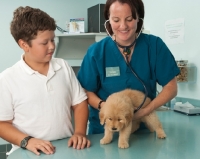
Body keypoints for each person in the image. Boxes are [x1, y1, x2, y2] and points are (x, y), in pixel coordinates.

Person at [77, 0, 180, 134]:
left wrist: (145, 111)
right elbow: (85, 91)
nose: (123, 26)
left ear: (138, 19)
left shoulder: (154, 46)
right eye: (116, 20)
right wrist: (105, 106)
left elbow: (171, 88)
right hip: (104, 132)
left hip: (141, 131)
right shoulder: (97, 52)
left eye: (129, 19)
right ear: (108, 20)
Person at [0, 6, 90, 156]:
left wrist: (80, 132)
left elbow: (80, 103)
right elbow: (2, 124)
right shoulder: (7, 79)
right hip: (27, 152)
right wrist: (27, 141)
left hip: (66, 149)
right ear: (24, 45)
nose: (52, 46)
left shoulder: (63, 66)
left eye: (53, 40)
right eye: (44, 43)